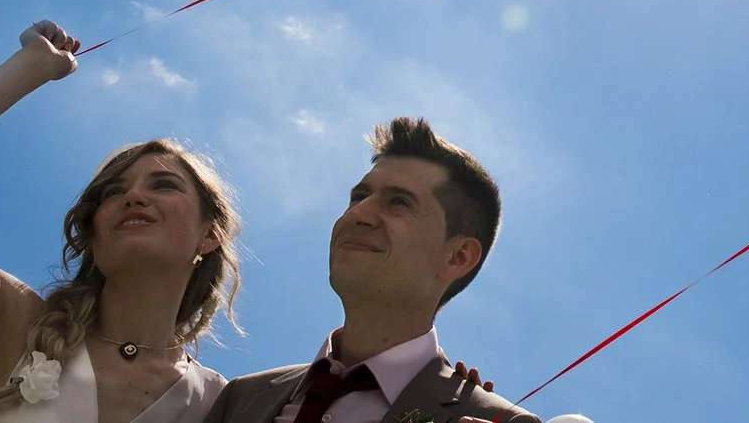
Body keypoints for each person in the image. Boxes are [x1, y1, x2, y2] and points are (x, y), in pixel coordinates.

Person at [0, 19, 239, 423]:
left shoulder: (225, 404)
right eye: (113, 193)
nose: (134, 196)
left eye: (164, 185)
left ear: (210, 234)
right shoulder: (13, 323)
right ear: (94, 236)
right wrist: (31, 65)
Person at [203, 117, 542, 423]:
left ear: (457, 256)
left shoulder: (499, 420)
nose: (358, 214)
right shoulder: (240, 398)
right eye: (358, 197)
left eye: (399, 202)